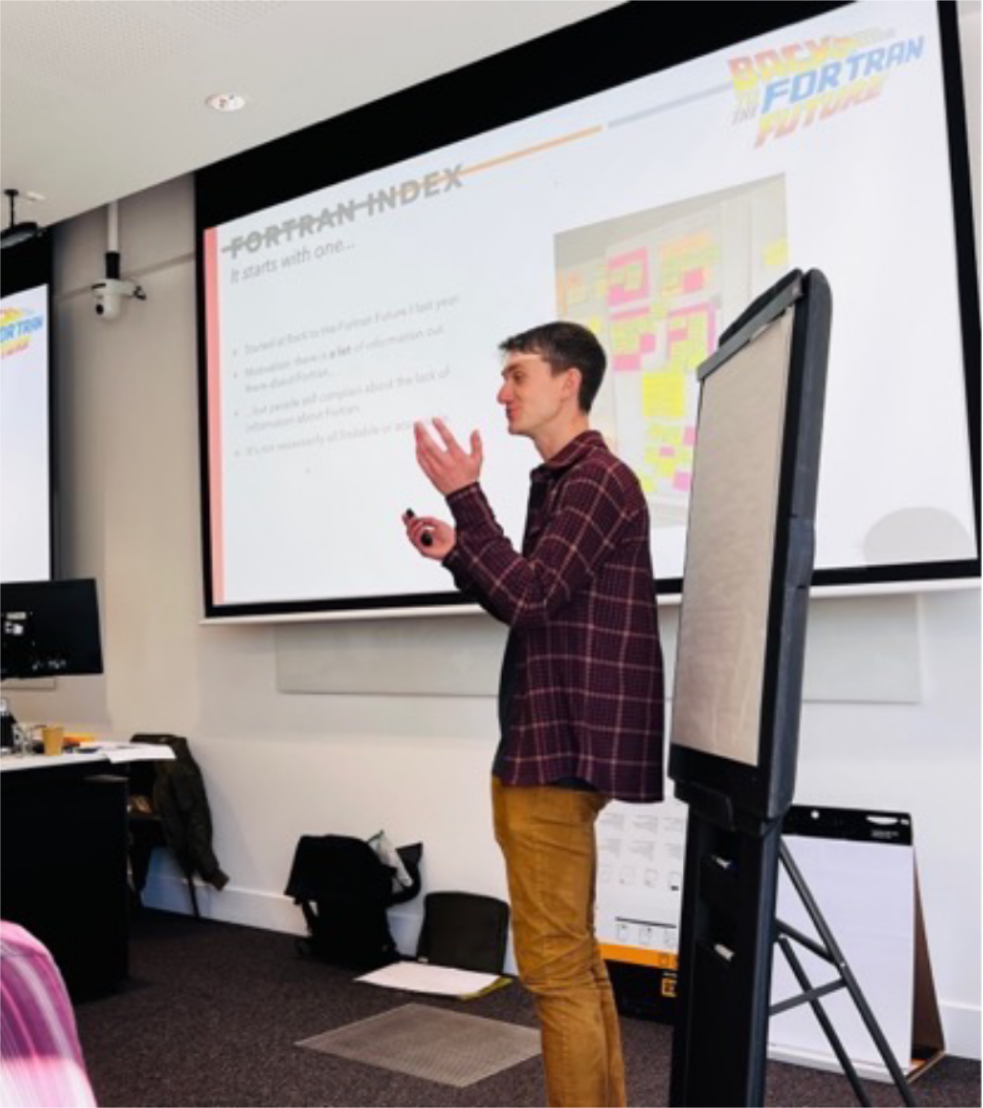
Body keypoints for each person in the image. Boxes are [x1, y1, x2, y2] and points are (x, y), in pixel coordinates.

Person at [404, 321, 664, 1108]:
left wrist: (464, 498)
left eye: (517, 376)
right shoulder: (563, 479)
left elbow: (527, 595)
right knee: (574, 962)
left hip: (558, 751)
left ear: (567, 383)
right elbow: (530, 603)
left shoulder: (593, 479)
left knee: (553, 972)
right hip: (548, 742)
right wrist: (457, 548)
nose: (502, 392)